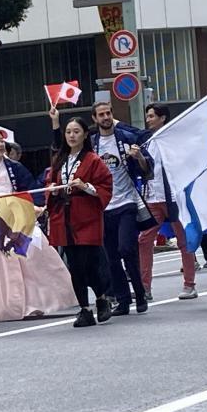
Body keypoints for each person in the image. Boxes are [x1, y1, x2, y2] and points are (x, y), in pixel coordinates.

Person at [0, 126, 76, 322]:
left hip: (18, 220)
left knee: (33, 257)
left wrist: (36, 206)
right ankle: (6, 306)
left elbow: (30, 190)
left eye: (1, 141)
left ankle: (35, 302)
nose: (0, 145)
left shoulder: (15, 168)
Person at [46, 114, 114, 327]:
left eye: (76, 132)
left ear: (85, 134)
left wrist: (86, 187)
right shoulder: (59, 160)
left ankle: (102, 298)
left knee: (90, 263)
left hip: (86, 216)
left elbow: (105, 186)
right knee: (74, 265)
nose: (72, 136)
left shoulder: (94, 160)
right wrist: (52, 191)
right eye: (68, 132)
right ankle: (85, 308)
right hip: (64, 219)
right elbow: (51, 182)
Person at [89, 100, 152, 315]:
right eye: (101, 115)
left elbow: (147, 170)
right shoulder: (91, 144)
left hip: (126, 202)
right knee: (110, 256)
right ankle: (123, 300)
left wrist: (139, 158)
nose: (106, 118)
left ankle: (140, 293)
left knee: (127, 248)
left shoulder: (127, 139)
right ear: (95, 119)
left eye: (108, 113)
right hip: (103, 206)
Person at [137, 103, 198, 300]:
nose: (148, 119)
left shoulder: (175, 139)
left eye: (152, 116)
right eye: (147, 116)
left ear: (163, 118)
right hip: (153, 197)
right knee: (144, 240)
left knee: (183, 241)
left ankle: (190, 284)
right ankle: (145, 287)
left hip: (174, 197)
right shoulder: (146, 140)